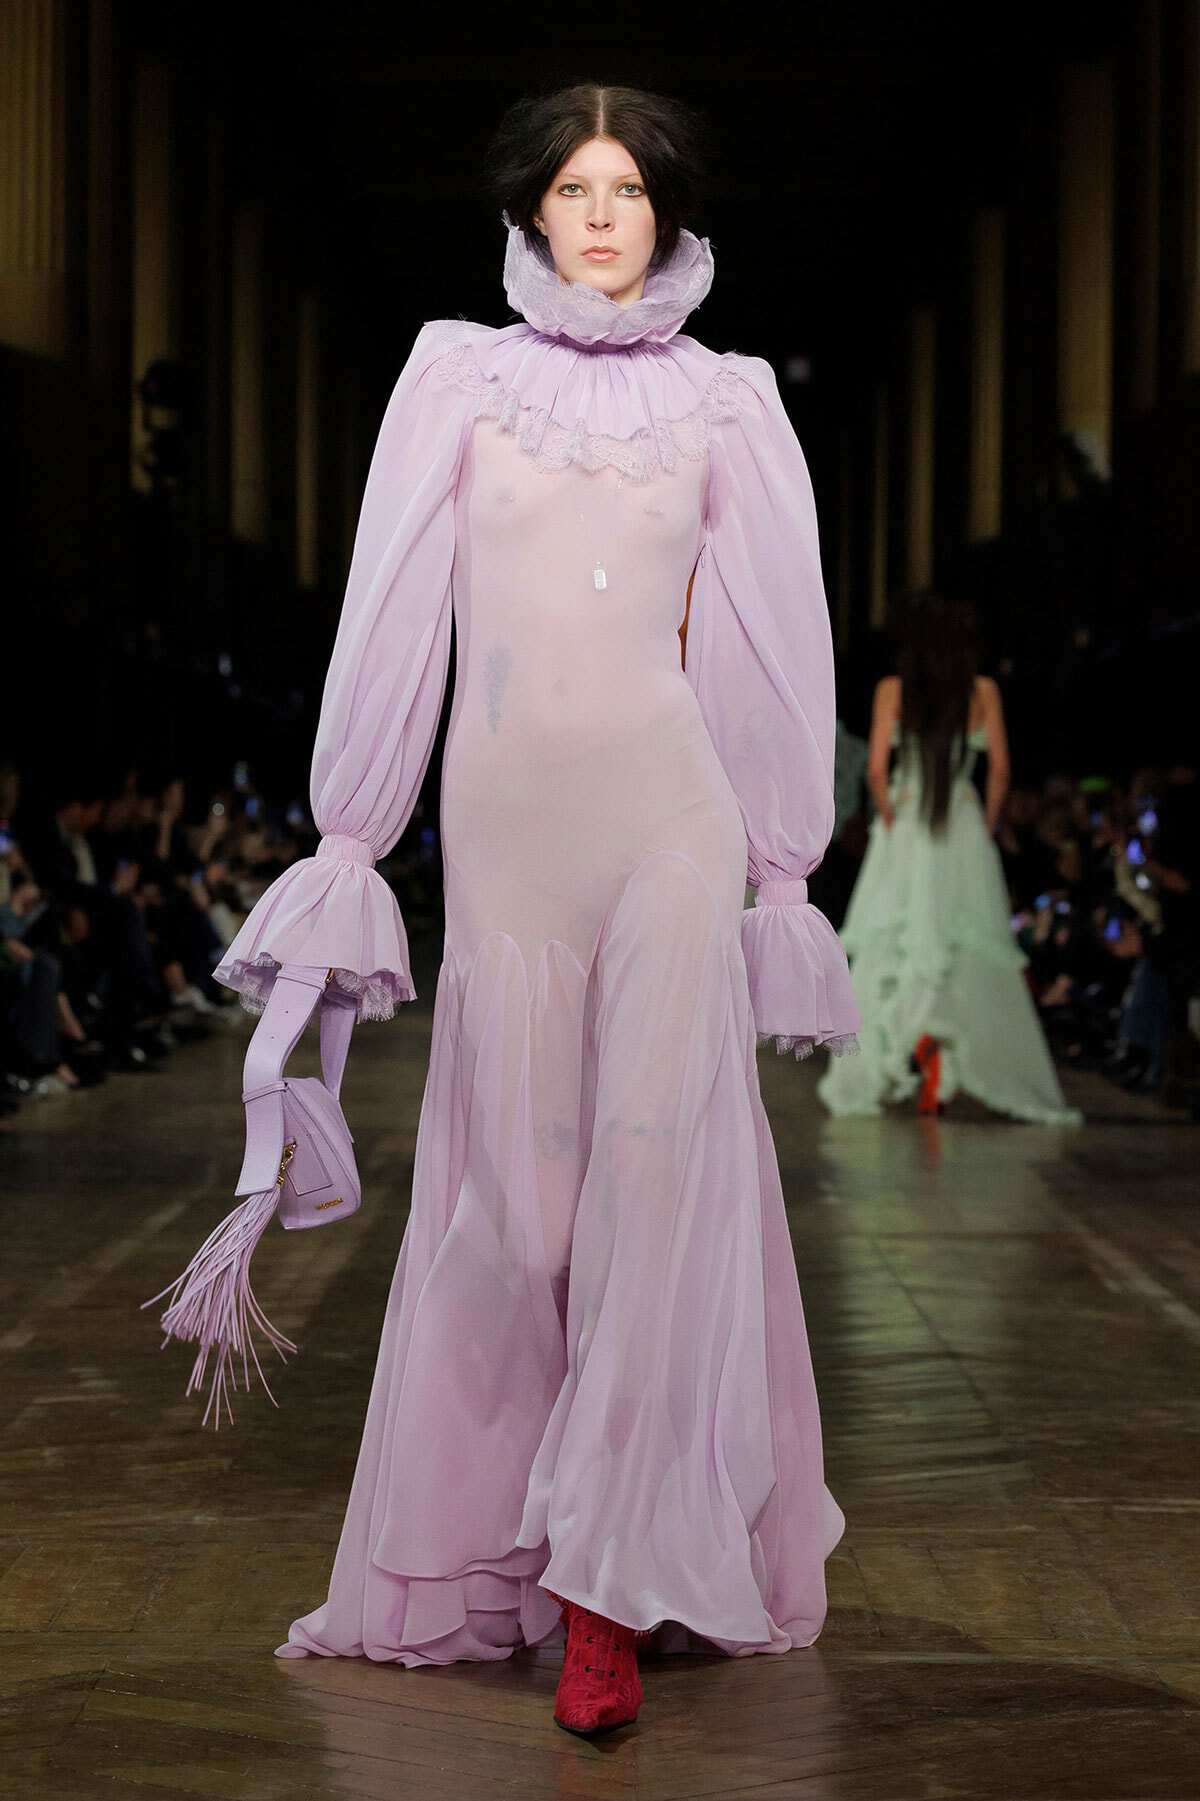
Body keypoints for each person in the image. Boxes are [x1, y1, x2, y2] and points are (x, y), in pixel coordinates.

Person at [179, 84, 861, 1736]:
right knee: (528, 1210)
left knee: (653, 1181)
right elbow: (393, 611)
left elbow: (777, 643)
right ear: (533, 212)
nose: (604, 211)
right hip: (504, 833)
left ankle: (607, 1593)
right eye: (576, 186)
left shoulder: (733, 401)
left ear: (671, 213)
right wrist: (354, 835)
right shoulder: (451, 380)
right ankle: (511, 1540)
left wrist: (784, 867)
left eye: (631, 186)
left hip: (673, 823)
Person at [818, 592, 1080, 1125]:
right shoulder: (982, 690)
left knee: (897, 943)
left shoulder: (893, 690)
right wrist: (983, 827)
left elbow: (874, 772)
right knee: (964, 945)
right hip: (959, 825)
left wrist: (891, 820)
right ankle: (943, 1052)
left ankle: (908, 1054)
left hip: (911, 825)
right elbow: (1001, 770)